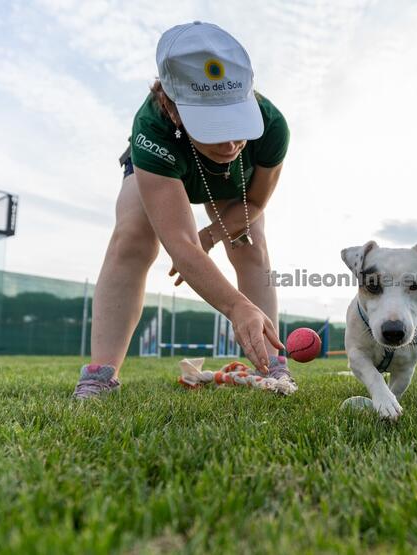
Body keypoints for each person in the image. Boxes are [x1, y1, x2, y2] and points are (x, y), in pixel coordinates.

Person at [73, 21, 290, 398]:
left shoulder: (272, 128)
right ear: (174, 111)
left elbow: (253, 202)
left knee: (249, 242)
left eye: (237, 122)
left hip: (230, 187)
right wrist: (237, 307)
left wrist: (209, 237)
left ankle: (273, 365)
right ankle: (99, 374)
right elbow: (180, 245)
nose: (231, 143)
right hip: (167, 162)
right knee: (133, 238)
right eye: (213, 127)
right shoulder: (152, 128)